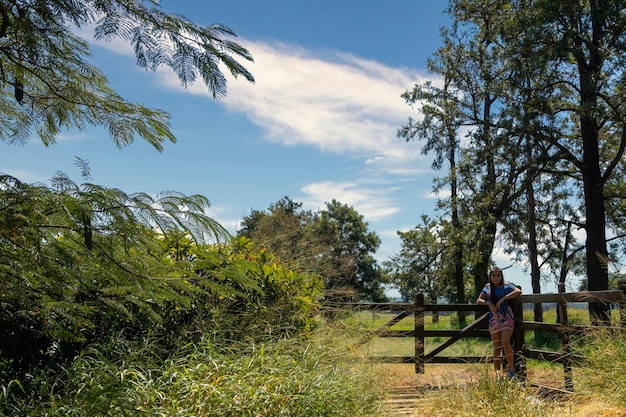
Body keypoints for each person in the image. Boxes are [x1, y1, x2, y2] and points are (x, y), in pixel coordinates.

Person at [476, 267, 522, 379]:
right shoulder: (487, 287)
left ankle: (511, 370)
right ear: (490, 276)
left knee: (505, 342)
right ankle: (497, 374)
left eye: (498, 275)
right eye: (493, 275)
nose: (496, 278)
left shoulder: (506, 285)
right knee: (497, 347)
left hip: (507, 317)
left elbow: (518, 291)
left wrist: (504, 298)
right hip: (494, 319)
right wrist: (488, 303)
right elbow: (479, 300)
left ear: (501, 276)